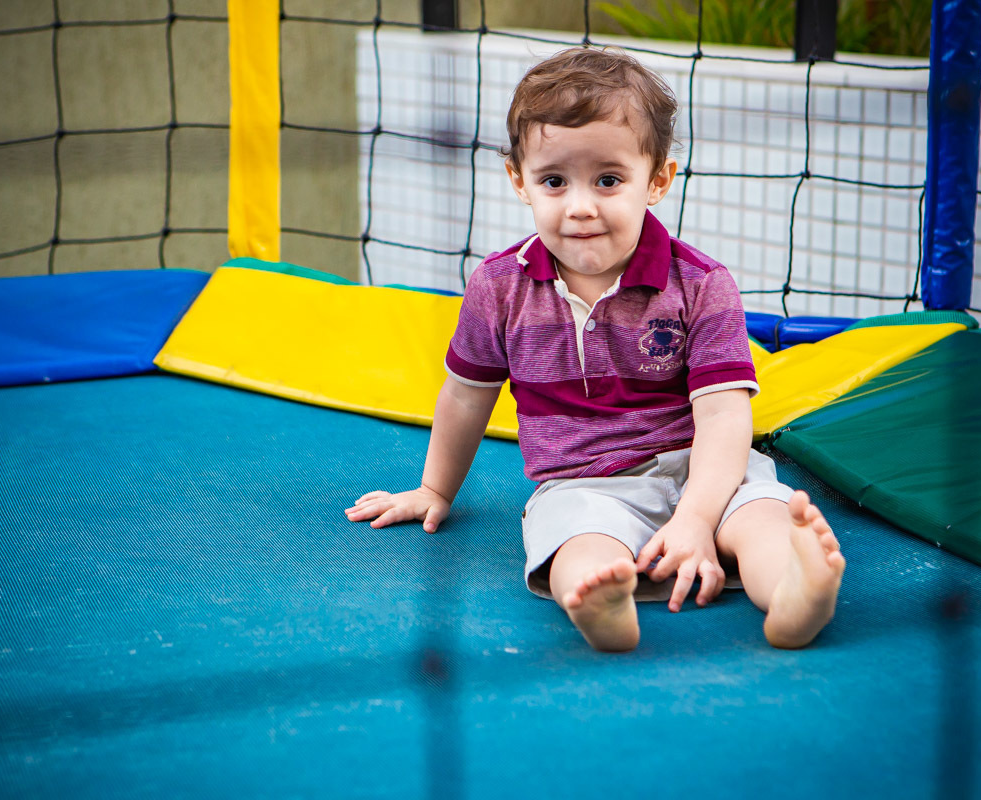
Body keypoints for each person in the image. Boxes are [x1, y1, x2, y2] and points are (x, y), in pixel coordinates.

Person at [345, 47, 845, 653]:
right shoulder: (498, 288)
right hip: (585, 482)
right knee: (575, 542)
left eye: (608, 180)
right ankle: (602, 601)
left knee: (761, 518)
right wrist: (435, 490)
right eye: (554, 181)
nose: (580, 206)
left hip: (705, 468)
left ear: (657, 179)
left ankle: (795, 593)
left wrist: (695, 516)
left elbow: (723, 414)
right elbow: (465, 395)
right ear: (519, 181)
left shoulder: (702, 284)